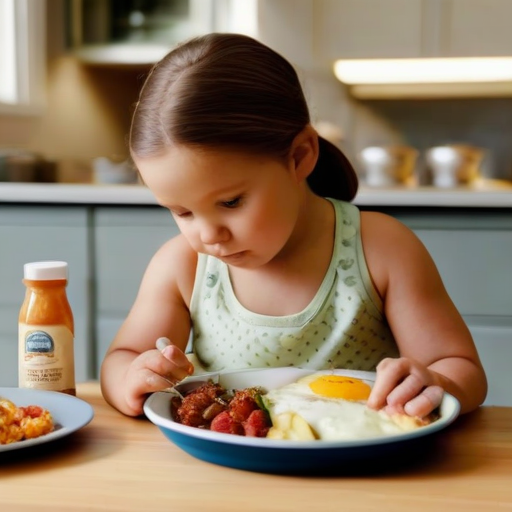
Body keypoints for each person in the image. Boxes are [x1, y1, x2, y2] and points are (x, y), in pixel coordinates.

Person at [100, 33, 487, 419]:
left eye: (231, 202)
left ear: (300, 157)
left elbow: (460, 368)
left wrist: (434, 383)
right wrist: (133, 379)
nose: (208, 235)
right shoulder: (181, 267)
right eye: (182, 212)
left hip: (357, 469)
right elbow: (124, 358)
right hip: (223, 471)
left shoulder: (382, 250)